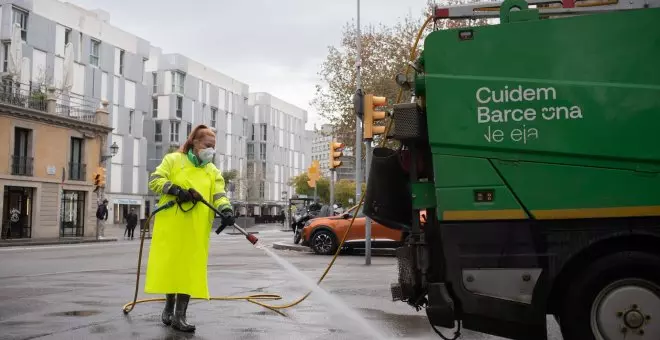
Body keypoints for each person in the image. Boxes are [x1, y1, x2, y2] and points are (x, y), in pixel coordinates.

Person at [144, 124, 234, 333]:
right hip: (172, 225)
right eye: (207, 145)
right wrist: (176, 190)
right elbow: (155, 180)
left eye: (214, 146)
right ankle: (168, 307)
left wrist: (227, 211)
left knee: (189, 269)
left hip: (197, 228)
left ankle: (179, 316)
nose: (211, 150)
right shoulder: (173, 160)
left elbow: (219, 195)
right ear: (194, 142)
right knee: (172, 266)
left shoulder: (212, 171)